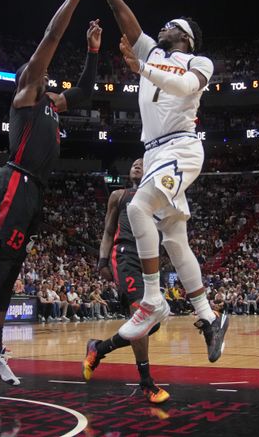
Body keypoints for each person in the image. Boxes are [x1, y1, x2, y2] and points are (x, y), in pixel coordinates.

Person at [0, 0, 101, 406]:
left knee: (12, 271)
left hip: (34, 190)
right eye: (43, 76)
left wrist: (93, 53)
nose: (50, 82)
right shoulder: (24, 94)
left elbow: (84, 92)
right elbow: (51, 37)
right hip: (13, 183)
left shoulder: (51, 106)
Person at [77, 0, 227, 361]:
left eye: (170, 26)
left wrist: (141, 70)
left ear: (185, 37)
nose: (161, 28)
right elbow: (117, 3)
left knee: (138, 206)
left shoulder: (199, 61)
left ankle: (152, 298)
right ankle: (209, 317)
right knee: (177, 239)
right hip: (155, 151)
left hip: (180, 148)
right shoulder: (151, 52)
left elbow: (183, 88)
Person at [83, 159, 168, 403]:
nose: (137, 166)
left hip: (149, 257)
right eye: (134, 164)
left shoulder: (159, 196)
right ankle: (146, 382)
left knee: (152, 322)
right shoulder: (119, 195)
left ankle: (98, 349)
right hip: (126, 253)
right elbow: (109, 231)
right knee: (142, 311)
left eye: (143, 163)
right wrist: (102, 261)